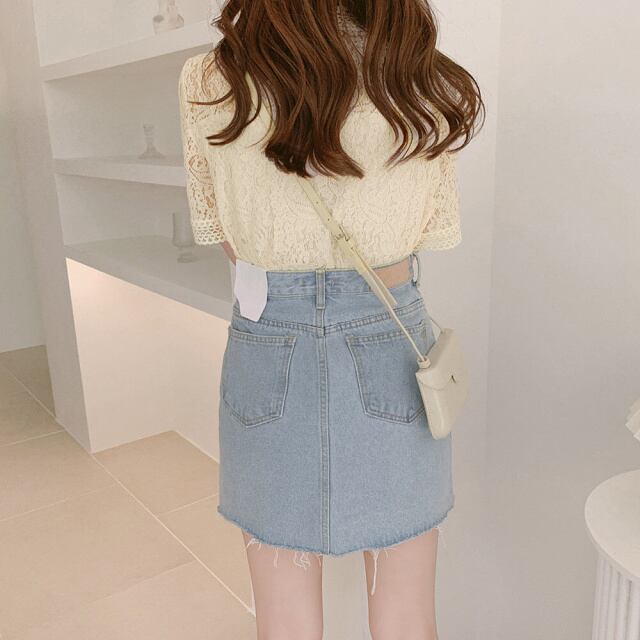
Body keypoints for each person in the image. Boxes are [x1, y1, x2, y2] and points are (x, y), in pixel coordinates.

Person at [178, 2, 484, 638]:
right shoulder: (426, 77)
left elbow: (222, 230)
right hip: (392, 339)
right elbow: (432, 230)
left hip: (268, 339)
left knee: (283, 619)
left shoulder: (211, 77)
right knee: (407, 614)